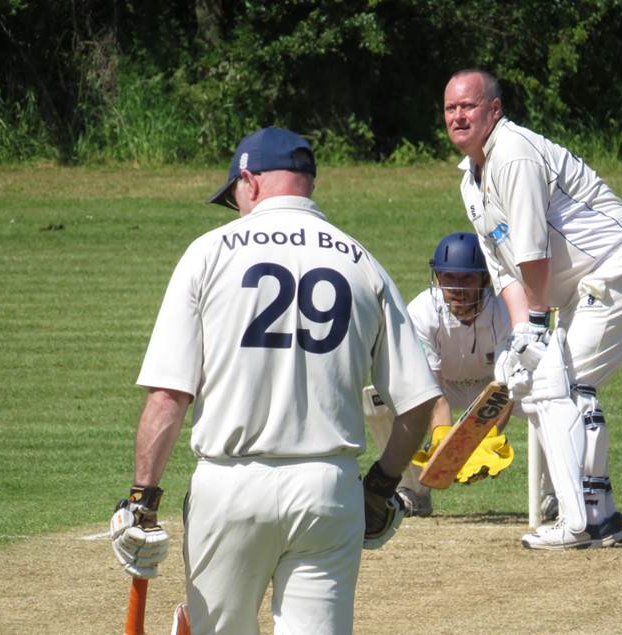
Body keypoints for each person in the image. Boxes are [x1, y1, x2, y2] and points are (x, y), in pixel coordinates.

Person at [108, 127, 442, 634]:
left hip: (230, 486)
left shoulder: (208, 253)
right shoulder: (361, 261)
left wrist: (142, 499)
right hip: (328, 488)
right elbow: (416, 404)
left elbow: (170, 395)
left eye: (234, 195)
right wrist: (380, 485)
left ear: (250, 181)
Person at [443, 69, 622, 550]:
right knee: (544, 390)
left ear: (494, 110)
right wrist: (521, 331)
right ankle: (601, 517)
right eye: (450, 109)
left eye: (468, 106)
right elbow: (504, 269)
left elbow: (533, 249)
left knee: (555, 386)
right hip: (591, 283)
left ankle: (577, 524)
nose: (458, 116)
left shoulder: (514, 154)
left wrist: (539, 326)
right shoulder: (470, 181)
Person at [363, 231, 518, 517]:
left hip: (493, 386)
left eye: (467, 279)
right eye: (449, 278)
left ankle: (555, 496)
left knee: (546, 390)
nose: (457, 289)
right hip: (443, 388)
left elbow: (507, 386)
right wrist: (444, 441)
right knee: (376, 398)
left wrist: (485, 437)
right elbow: (431, 391)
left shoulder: (504, 311)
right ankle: (413, 492)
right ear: (437, 278)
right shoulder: (421, 312)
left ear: (485, 279)